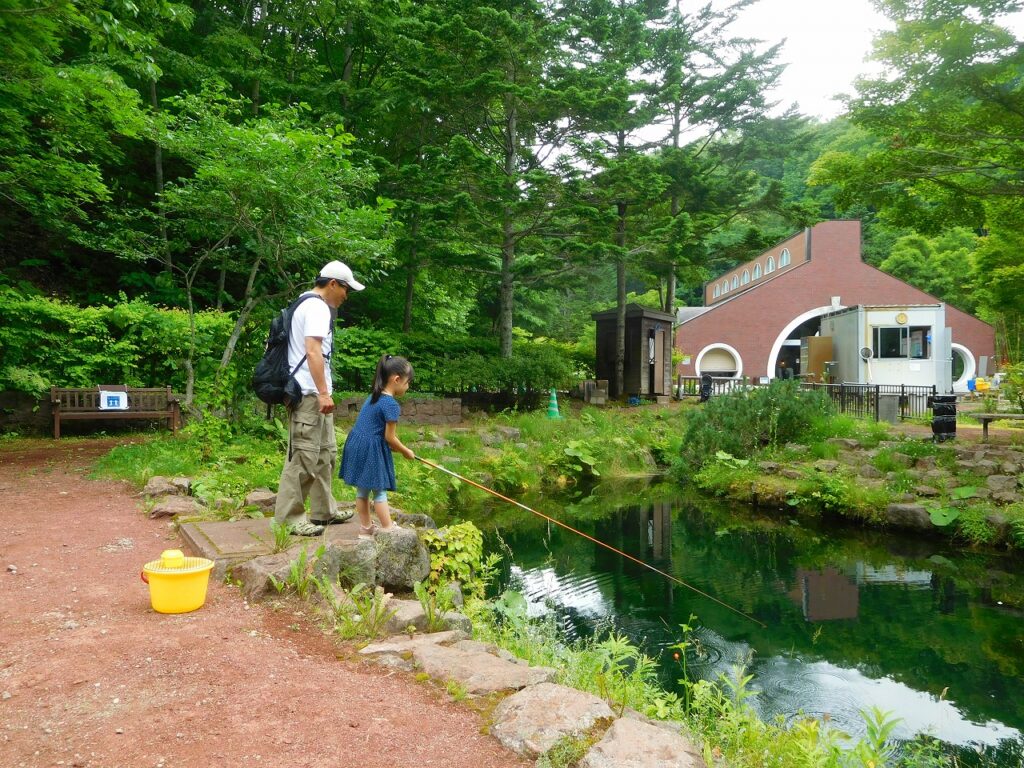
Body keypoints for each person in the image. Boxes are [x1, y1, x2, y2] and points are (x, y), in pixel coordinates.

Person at [274, 260, 365, 536]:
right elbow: (313, 351)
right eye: (346, 289)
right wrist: (323, 392)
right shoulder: (316, 307)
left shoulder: (306, 303)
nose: (346, 296)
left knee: (325, 454)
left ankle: (324, 511)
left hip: (316, 393)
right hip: (309, 394)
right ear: (333, 284)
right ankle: (289, 519)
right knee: (303, 456)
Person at [339, 355, 416, 537]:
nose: (408, 387)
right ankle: (388, 528)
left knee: (362, 490)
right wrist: (406, 451)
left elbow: (374, 429)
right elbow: (390, 437)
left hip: (357, 444)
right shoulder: (391, 404)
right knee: (379, 490)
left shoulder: (374, 396)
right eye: (407, 382)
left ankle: (366, 528)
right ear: (397, 379)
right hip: (370, 450)